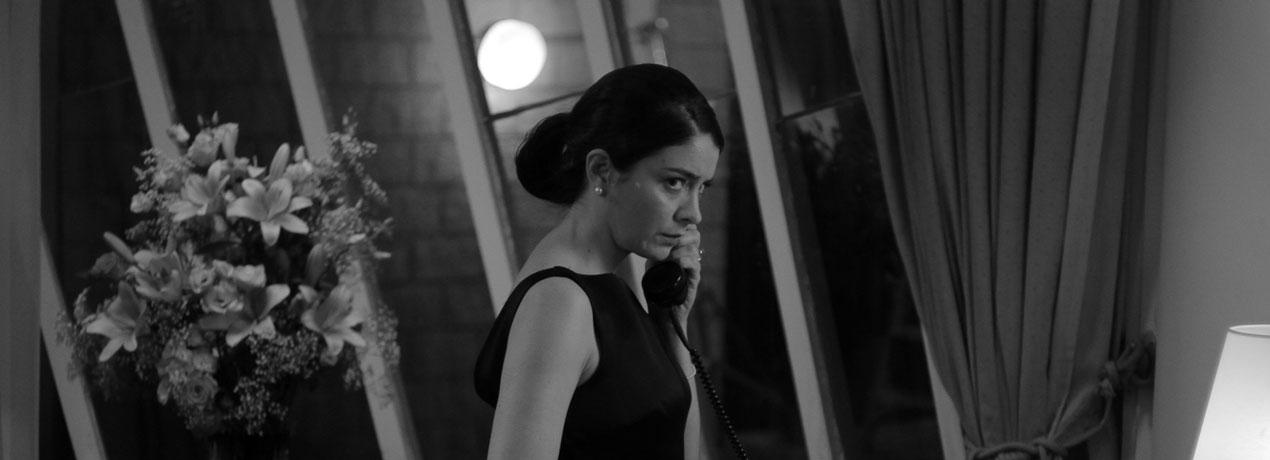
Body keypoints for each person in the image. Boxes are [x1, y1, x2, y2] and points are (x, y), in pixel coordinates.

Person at [473, 63, 723, 460]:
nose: (693, 214)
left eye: (701, 188)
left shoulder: (607, 291)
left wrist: (673, 324)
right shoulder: (560, 302)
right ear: (601, 171)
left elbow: (675, 447)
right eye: (674, 182)